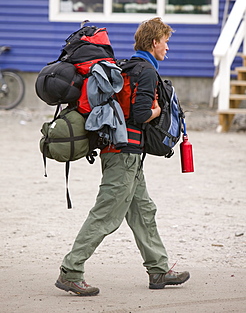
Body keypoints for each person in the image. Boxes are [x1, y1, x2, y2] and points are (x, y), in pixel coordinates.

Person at [55, 17, 190, 296]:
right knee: (106, 216)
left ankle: (159, 270)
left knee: (143, 212)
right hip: (124, 154)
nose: (167, 48)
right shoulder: (147, 72)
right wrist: (160, 112)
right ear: (154, 42)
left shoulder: (126, 67)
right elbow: (141, 114)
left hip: (121, 152)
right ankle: (71, 271)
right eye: (166, 42)